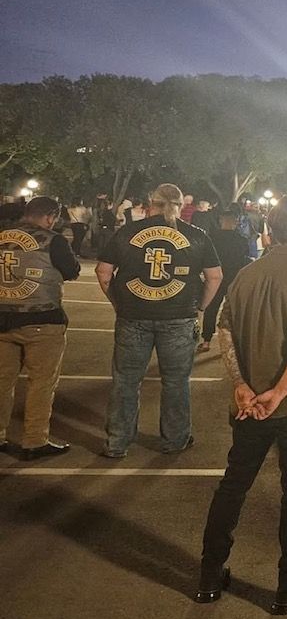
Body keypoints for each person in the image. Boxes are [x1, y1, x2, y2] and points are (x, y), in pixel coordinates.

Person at [196, 194, 287, 614]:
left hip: (248, 403)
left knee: (234, 484)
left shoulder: (247, 273)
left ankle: (210, 574)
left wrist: (241, 384)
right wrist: (278, 392)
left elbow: (224, 329)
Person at [96, 184, 222, 458]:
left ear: (150, 203)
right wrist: (199, 306)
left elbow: (104, 272)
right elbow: (215, 277)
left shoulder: (127, 232)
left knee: (126, 381)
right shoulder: (197, 235)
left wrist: (118, 302)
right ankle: (175, 439)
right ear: (180, 205)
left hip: (132, 316)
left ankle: (117, 441)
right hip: (179, 318)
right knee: (176, 382)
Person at [0, 196, 80, 459]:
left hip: (2, 319)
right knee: (41, 384)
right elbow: (72, 270)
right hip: (42, 320)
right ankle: (34, 440)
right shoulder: (53, 240)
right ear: (50, 216)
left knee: (1, 381)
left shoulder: (2, 235)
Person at [198, 207, 252, 352]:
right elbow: (245, 259)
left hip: (216, 277)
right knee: (235, 310)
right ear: (235, 222)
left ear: (221, 221)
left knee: (211, 308)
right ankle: (235, 341)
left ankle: (206, 341)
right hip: (234, 279)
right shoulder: (241, 240)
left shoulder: (212, 238)